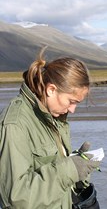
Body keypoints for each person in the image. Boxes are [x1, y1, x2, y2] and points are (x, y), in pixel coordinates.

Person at [0, 48, 100, 209]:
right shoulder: (15, 124)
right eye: (71, 101)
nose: (72, 110)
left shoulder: (54, 118)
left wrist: (78, 168)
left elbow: (51, 174)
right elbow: (15, 197)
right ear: (51, 90)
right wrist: (70, 169)